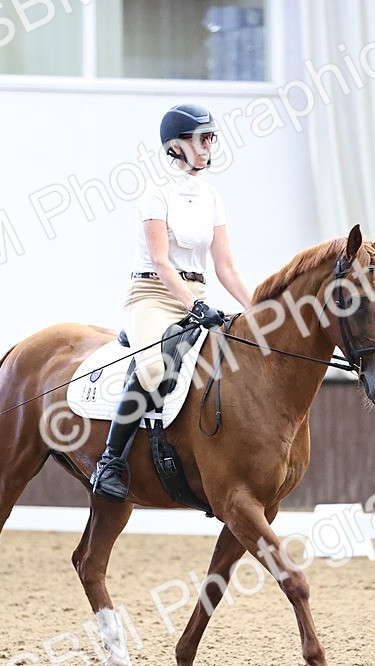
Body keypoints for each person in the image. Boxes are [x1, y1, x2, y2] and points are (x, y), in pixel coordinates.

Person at [90, 102, 253, 502]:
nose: (207, 147)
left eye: (210, 138)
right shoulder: (155, 195)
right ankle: (110, 461)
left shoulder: (212, 197)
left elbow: (226, 266)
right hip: (152, 295)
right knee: (150, 368)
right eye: (200, 139)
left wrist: (258, 307)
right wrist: (192, 305)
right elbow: (161, 262)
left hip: (196, 295)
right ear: (175, 146)